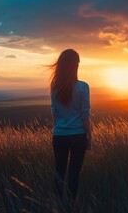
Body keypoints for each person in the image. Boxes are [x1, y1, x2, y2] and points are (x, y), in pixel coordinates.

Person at [49, 49, 92, 203]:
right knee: (74, 173)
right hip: (78, 136)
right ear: (76, 65)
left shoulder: (55, 85)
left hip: (59, 135)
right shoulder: (82, 87)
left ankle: (58, 205)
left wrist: (58, 130)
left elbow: (54, 111)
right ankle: (71, 206)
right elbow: (85, 115)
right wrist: (90, 137)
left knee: (59, 173)